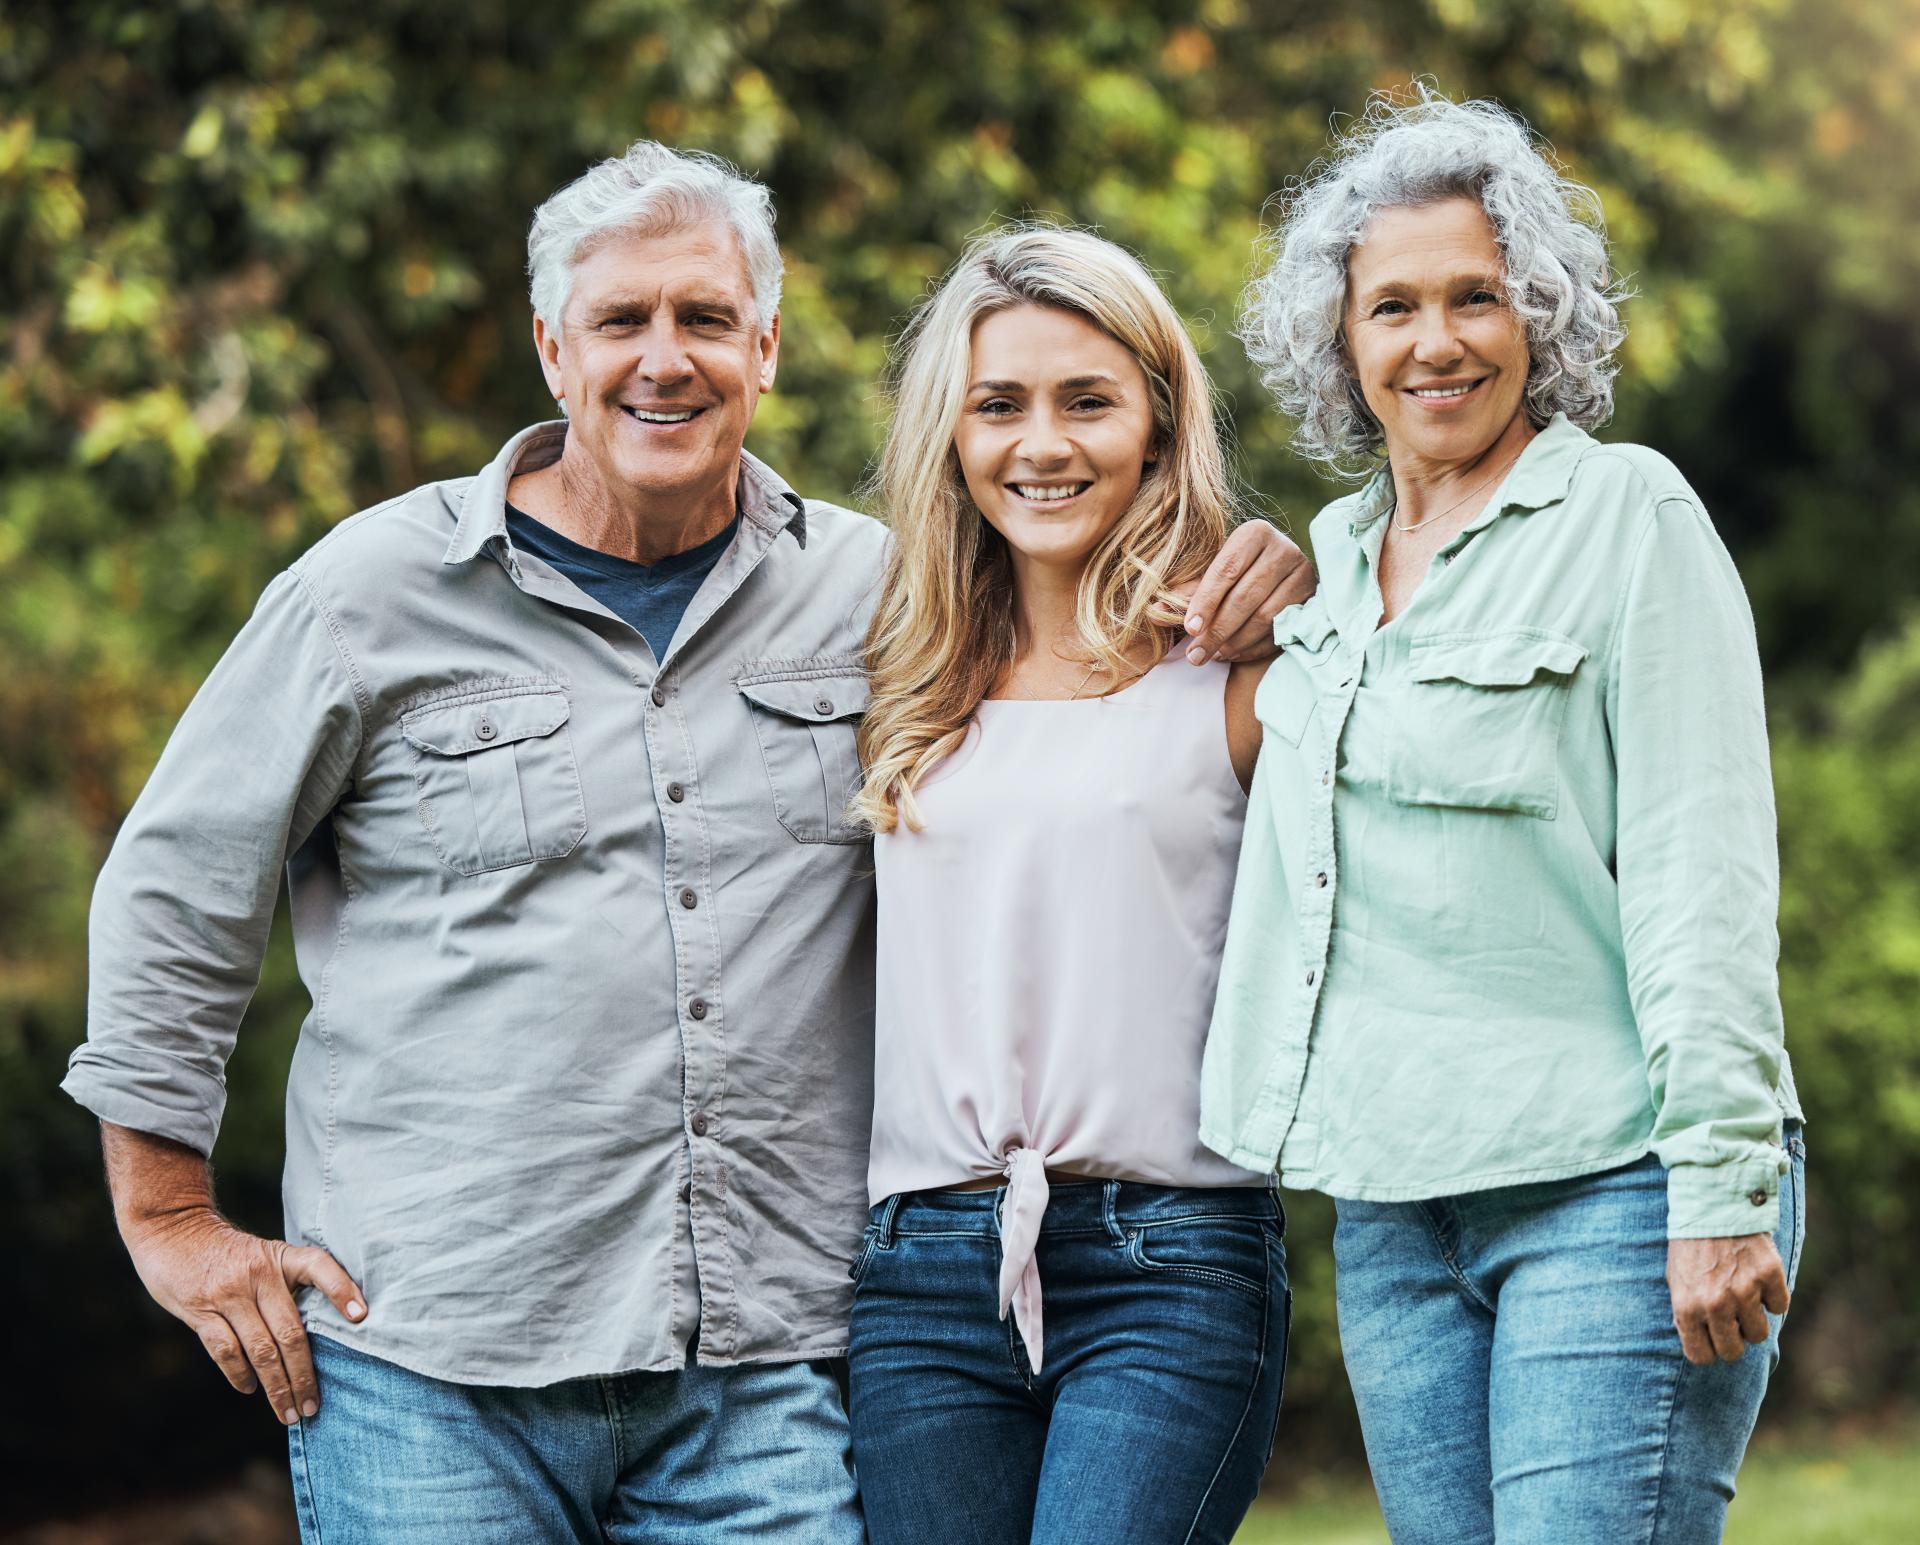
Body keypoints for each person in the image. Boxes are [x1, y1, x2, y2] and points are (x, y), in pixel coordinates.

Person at [61, 145, 1311, 1543]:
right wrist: (169, 1209)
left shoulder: (886, 600)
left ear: (765, 348)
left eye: (707, 320)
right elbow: (177, 884)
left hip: (767, 1376)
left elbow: (1089, 683)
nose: (667, 359)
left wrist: (1264, 579)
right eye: (622, 320)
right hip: (433, 1357)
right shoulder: (369, 593)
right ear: (552, 347)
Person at [1201, 92, 1806, 1543]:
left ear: (1538, 314)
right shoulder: (1331, 572)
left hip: (1611, 1187)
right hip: (1398, 1211)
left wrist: (1720, 1182)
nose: (1437, 341)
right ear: (1342, 343)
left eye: (1478, 297)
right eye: (1393, 306)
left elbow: (1701, 874)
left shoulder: (1629, 520)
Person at [847, 226, 1290, 1545]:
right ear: (953, 435)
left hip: (1171, 1255)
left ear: (1158, 422)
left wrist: (1295, 586)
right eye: (1000, 405)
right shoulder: (899, 680)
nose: (1042, 442)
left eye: (1087, 400)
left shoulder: (1245, 678)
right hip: (923, 1268)